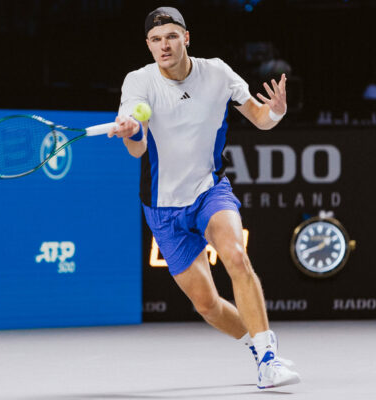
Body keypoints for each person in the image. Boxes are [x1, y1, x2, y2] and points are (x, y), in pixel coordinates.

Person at [109, 7, 300, 389]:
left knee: (236, 255)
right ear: (148, 45)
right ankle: (256, 343)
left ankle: (267, 359)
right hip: (163, 208)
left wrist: (275, 113)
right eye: (156, 39)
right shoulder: (138, 83)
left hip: (209, 189)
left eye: (171, 36)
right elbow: (137, 149)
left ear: (186, 38)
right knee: (208, 305)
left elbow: (259, 117)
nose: (164, 45)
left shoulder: (217, 72)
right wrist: (131, 131)